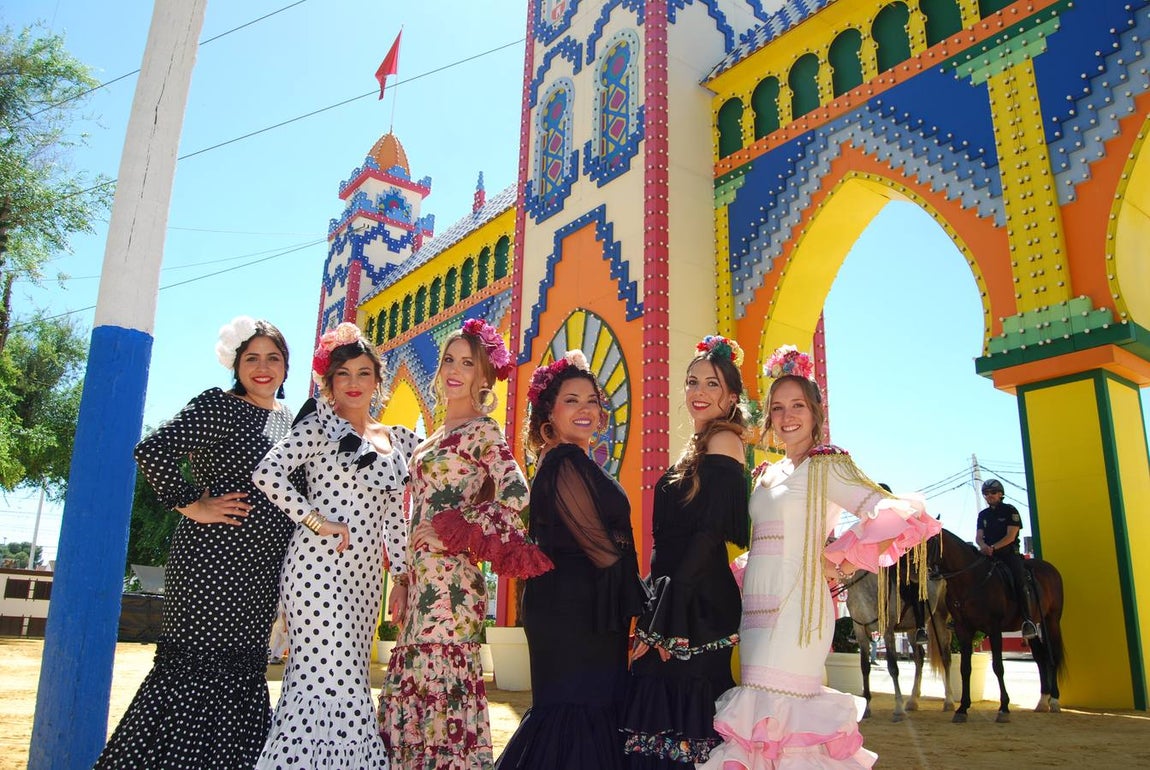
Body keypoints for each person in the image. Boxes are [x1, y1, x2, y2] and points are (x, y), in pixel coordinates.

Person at [701, 345, 941, 769]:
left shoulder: (829, 464)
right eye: (778, 407)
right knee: (759, 720)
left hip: (799, 611)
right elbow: (763, 544)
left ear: (814, 412)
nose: (787, 415)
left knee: (786, 715)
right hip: (756, 611)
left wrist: (844, 562)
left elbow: (895, 513)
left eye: (797, 405)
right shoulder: (766, 473)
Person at [95, 317, 295, 769]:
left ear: (287, 366)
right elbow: (153, 450)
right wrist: (193, 504)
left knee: (242, 672)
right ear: (236, 365)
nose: (262, 368)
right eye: (251, 359)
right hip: (210, 567)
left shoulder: (288, 418)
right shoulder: (218, 406)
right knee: (194, 671)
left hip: (260, 574)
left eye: (273, 358)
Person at [380, 318, 553, 770]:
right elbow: (414, 511)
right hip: (419, 585)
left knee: (442, 688)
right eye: (449, 360)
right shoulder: (433, 438)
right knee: (414, 685)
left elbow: (516, 494)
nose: (455, 370)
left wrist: (454, 528)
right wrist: (401, 578)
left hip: (453, 583)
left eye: (467, 363)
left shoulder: (482, 430)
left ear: (482, 375)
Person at [252, 322, 420, 768]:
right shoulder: (318, 428)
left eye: (363, 373)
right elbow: (267, 475)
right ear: (329, 383)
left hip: (366, 580)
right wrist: (316, 519)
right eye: (343, 374)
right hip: (315, 571)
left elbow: (394, 518)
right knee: (333, 676)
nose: (353, 383)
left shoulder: (395, 440)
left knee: (346, 676)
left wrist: (401, 577)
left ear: (377, 381)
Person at [495, 350, 645, 770]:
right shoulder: (563, 461)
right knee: (576, 712)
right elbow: (599, 546)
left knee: (588, 711)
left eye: (592, 400)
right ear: (551, 412)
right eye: (572, 400)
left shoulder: (574, 461)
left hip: (586, 606)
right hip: (575, 612)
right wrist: (649, 607)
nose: (585, 410)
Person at [621, 335, 750, 769]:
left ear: (732, 396)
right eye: (692, 382)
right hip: (673, 593)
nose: (698, 392)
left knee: (685, 706)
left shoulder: (725, 441)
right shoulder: (695, 447)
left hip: (696, 603)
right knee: (658, 708)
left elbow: (711, 533)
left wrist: (668, 610)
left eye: (712, 384)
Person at [976, 478, 1038, 639]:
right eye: (986, 493)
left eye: (993, 493)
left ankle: (1027, 620)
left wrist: (993, 547)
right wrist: (983, 546)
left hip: (1008, 554)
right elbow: (979, 536)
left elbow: (1011, 536)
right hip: (989, 555)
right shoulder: (983, 515)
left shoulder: (1010, 511)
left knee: (1020, 581)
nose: (990, 496)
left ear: (1001, 494)